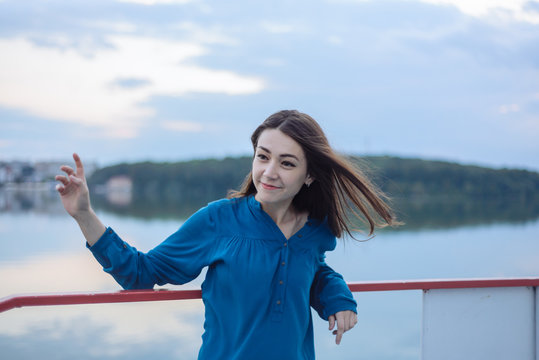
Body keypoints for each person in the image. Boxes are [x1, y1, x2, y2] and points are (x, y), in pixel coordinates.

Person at [56, 110, 399, 360]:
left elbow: (314, 268)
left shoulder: (315, 229)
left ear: (309, 176)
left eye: (287, 163)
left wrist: (338, 298)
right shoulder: (218, 220)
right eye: (263, 157)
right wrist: (84, 215)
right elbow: (141, 274)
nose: (269, 172)